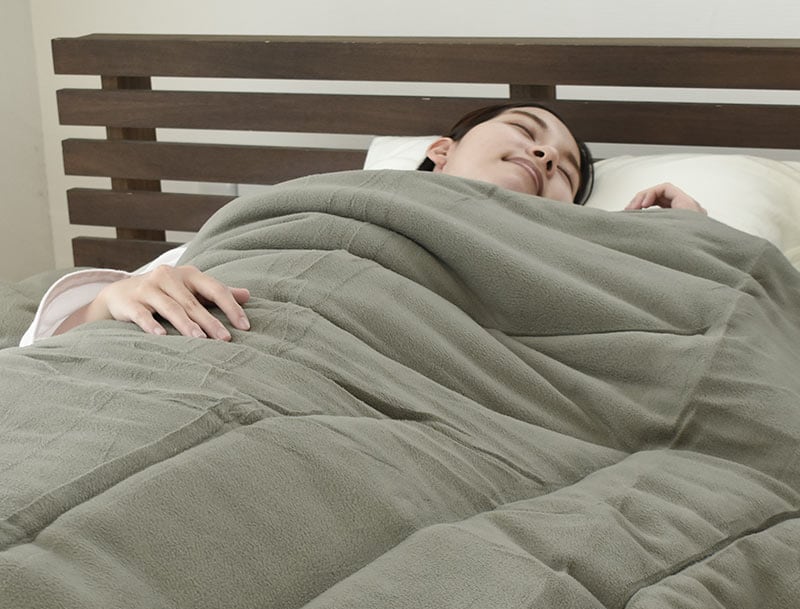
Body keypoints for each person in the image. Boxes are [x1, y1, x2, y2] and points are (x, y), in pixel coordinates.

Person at [20, 102, 705, 347]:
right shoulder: (319, 202)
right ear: (442, 151)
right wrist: (110, 302)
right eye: (526, 132)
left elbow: (673, 337)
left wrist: (689, 238)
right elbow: (46, 345)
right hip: (216, 342)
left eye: (563, 169)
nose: (544, 155)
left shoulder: (556, 258)